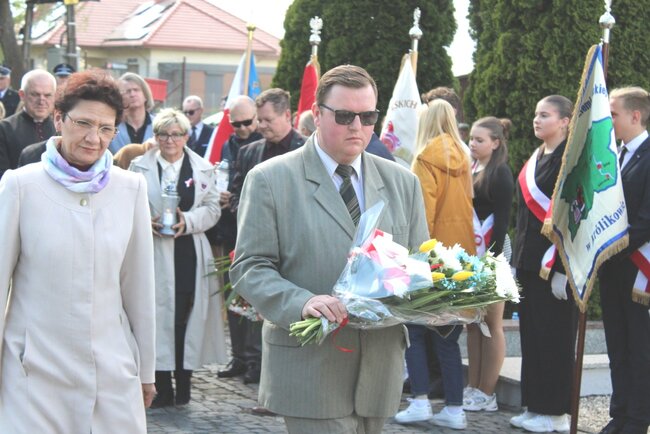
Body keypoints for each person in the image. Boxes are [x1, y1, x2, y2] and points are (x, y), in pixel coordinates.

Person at [230, 65, 428, 434]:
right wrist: (301, 301)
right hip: (312, 365)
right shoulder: (271, 179)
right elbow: (249, 266)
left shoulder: (403, 182)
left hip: (379, 366)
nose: (357, 126)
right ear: (317, 115)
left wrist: (455, 295)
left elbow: (419, 265)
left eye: (368, 116)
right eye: (344, 116)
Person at [0, 69, 156, 432]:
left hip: (110, 369)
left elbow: (139, 289)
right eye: (83, 123)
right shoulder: (20, 186)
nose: (93, 138)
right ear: (59, 119)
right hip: (33, 372)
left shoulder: (131, 189)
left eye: (106, 128)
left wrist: (146, 370)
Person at [130, 108, 227, 408]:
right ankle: (160, 387)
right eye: (163, 134)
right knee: (155, 317)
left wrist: (189, 220)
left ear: (186, 137)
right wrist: (144, 221)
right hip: (153, 251)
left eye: (175, 134)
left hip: (189, 252)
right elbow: (127, 204)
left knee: (185, 316)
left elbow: (213, 208)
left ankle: (184, 385)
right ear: (155, 136)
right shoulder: (138, 167)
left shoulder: (202, 169)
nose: (169, 140)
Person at [395, 99, 474, 430]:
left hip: (429, 256)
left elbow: (422, 214)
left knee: (414, 331)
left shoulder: (424, 158)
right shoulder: (465, 157)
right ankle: (455, 409)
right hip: (459, 256)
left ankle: (420, 401)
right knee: (448, 337)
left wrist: (412, 257)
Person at [510, 95, 577, 433]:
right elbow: (524, 215)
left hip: (554, 265)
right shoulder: (536, 156)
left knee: (554, 338)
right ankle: (535, 406)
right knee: (533, 336)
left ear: (565, 121)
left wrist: (564, 270)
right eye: (536, 114)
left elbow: (573, 218)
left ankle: (556, 413)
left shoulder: (570, 160)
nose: (537, 120)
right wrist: (516, 260)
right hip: (529, 262)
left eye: (545, 115)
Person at [596, 87, 650, 434]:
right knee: (617, 343)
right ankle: (620, 413)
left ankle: (638, 419)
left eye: (613, 114)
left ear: (635, 115)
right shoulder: (614, 155)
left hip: (638, 266)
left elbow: (646, 219)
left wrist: (613, 247)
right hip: (612, 266)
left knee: (639, 347)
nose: (608, 119)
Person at [210, 95, 263, 383]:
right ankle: (239, 356)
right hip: (230, 229)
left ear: (256, 118)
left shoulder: (262, 146)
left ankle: (254, 359)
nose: (242, 128)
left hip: (253, 231)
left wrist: (235, 198)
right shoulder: (228, 144)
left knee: (252, 298)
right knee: (232, 297)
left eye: (247, 122)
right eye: (236, 124)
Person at [463, 117, 514, 412]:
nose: (473, 143)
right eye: (471, 138)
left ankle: (488, 392)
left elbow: (503, 221)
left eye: (479, 140)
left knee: (492, 324)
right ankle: (473, 386)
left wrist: (492, 264)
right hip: (470, 255)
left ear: (495, 143)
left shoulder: (501, 173)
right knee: (473, 324)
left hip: (493, 256)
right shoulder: (470, 168)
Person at [0, 69, 57, 179]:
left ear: (55, 97)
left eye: (47, 95)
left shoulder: (62, 129)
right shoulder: (4, 129)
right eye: (35, 94)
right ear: (22, 95)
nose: (41, 101)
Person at [109, 72, 155, 154]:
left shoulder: (158, 126)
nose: (132, 94)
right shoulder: (112, 126)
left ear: (145, 95)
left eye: (136, 90)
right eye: (127, 91)